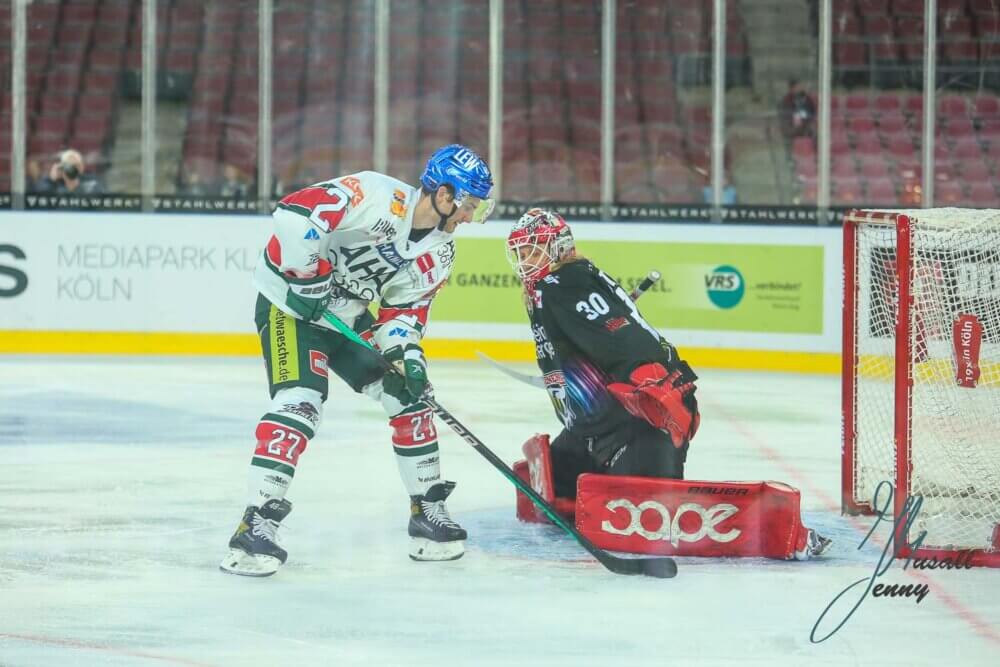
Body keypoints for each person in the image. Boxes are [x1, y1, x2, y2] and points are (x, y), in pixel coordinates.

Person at [220, 144, 495, 576]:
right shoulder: (376, 196)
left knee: (410, 399)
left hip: (345, 317)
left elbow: (403, 315)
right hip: (289, 311)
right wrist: (306, 275)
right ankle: (255, 522)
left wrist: (409, 359)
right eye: (469, 205)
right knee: (300, 402)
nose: (470, 216)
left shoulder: (439, 252)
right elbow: (293, 216)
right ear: (444, 195)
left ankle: (427, 512)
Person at [505, 208, 700, 499]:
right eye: (520, 254)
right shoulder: (566, 279)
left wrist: (649, 377)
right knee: (558, 486)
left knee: (644, 506)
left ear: (559, 247)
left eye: (533, 252)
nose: (525, 263)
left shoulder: (560, 284)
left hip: (641, 426)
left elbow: (626, 336)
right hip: (596, 430)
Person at [33, 148, 104, 195]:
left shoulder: (92, 181)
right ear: (61, 167)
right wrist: (52, 180)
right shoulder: (51, 182)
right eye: (68, 165)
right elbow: (39, 198)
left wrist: (76, 186)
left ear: (81, 167)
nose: (72, 169)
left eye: (75, 165)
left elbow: (99, 198)